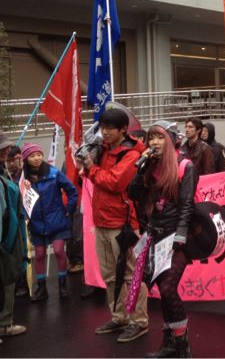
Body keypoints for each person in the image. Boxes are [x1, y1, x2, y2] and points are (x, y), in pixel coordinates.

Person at [77, 108, 149, 342]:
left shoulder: (132, 154)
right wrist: (87, 164)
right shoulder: (104, 149)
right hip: (102, 221)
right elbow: (93, 176)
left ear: (123, 130)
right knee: (109, 275)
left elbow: (115, 182)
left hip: (123, 224)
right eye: (102, 127)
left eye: (110, 128)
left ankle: (139, 321)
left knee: (130, 274)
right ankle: (120, 317)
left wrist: (91, 168)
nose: (105, 132)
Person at [128, 121, 197, 358]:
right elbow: (133, 194)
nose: (154, 142)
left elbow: (187, 204)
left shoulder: (185, 166)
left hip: (176, 236)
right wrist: (140, 170)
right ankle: (169, 342)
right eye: (151, 138)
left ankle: (183, 345)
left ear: (171, 140)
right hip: (154, 235)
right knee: (160, 288)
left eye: (159, 137)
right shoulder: (149, 166)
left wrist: (181, 235)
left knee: (168, 288)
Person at [21, 142, 78, 301]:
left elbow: (72, 190)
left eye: (39, 154)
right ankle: (41, 289)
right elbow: (21, 199)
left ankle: (63, 286)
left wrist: (69, 208)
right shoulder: (23, 178)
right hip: (36, 223)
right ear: (26, 159)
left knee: (59, 251)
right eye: (32, 156)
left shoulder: (54, 173)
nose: (37, 158)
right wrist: (25, 215)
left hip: (57, 220)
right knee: (39, 255)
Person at [0, 130, 27, 340]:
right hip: (4, 242)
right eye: (3, 148)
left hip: (8, 237)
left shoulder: (3, 173)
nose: (7, 150)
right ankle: (4, 324)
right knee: (6, 281)